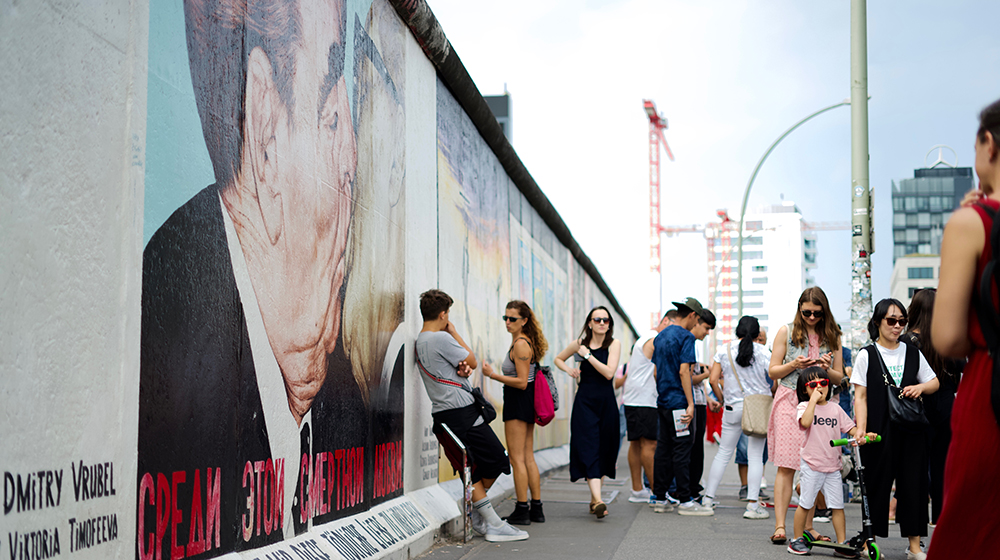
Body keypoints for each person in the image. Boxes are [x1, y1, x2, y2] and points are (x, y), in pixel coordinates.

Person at [137, 0, 377, 550]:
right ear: (266, 131)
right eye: (332, 117)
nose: (352, 159)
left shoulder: (340, 397)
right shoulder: (160, 365)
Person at [928, 97, 1000, 560]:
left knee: (975, 532)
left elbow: (949, 338)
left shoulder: (973, 224)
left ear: (987, 144)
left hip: (991, 394)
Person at [415, 290, 528, 542]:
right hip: (460, 414)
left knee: (479, 467)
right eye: (448, 315)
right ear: (443, 314)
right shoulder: (440, 339)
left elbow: (459, 367)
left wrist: (460, 369)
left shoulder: (421, 340)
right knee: (495, 460)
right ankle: (492, 523)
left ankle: (482, 515)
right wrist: (453, 332)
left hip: (450, 414)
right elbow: (473, 361)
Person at [852, 298, 939, 560]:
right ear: (878, 322)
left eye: (902, 321)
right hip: (878, 431)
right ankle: (870, 541)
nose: (897, 326)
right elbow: (861, 396)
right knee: (877, 485)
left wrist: (920, 387)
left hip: (912, 431)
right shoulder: (867, 354)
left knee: (914, 486)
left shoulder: (913, 351)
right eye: (891, 321)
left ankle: (914, 546)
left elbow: (933, 382)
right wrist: (861, 430)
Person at [767, 287, 844, 545]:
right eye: (807, 312)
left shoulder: (833, 335)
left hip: (821, 404)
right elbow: (773, 372)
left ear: (825, 312)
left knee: (815, 465)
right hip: (790, 398)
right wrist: (794, 365)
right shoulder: (786, 332)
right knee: (787, 466)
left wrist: (825, 368)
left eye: (817, 313)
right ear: (800, 308)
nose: (811, 317)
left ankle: (808, 526)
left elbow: (840, 377)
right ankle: (780, 526)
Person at [785, 368, 875, 557]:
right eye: (813, 385)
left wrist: (865, 435)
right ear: (804, 390)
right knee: (806, 503)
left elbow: (851, 429)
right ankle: (796, 539)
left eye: (823, 383)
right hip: (811, 464)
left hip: (833, 466)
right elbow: (806, 423)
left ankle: (841, 543)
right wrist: (811, 401)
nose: (819, 387)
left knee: (837, 506)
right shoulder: (803, 407)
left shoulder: (835, 408)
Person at [645, 298, 715, 516]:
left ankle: (659, 497)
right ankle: (685, 500)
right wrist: (690, 404)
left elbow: (656, 372)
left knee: (663, 450)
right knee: (683, 449)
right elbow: (685, 371)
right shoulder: (686, 337)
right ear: (693, 315)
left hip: (663, 402)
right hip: (679, 403)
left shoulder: (661, 336)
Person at [899, 289, 961, 526]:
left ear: (913, 310)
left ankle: (916, 525)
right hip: (946, 407)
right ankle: (940, 519)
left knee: (915, 468)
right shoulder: (946, 338)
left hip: (917, 409)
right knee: (942, 466)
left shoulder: (905, 342)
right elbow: (959, 369)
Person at [483, 300, 548, 525]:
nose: (508, 323)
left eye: (513, 319)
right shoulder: (522, 342)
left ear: (525, 321)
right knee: (527, 456)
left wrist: (492, 375)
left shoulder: (521, 344)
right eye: (506, 318)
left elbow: (521, 382)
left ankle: (522, 509)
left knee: (517, 458)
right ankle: (536, 508)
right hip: (524, 403)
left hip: (518, 402)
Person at [555, 306, 622, 519]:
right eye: (598, 319)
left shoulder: (614, 344)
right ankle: (600, 500)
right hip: (584, 403)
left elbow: (609, 373)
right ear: (590, 323)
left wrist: (588, 356)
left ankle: (595, 500)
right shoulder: (579, 344)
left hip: (606, 404)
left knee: (603, 449)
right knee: (588, 447)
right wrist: (570, 370)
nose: (602, 323)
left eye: (606, 320)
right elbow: (558, 359)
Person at [703, 316, 772, 520]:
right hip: (758, 407)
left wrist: (723, 398)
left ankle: (707, 499)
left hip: (733, 406)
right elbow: (774, 378)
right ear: (758, 333)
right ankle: (752, 505)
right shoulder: (763, 351)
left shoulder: (724, 350)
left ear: (737, 332)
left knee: (723, 452)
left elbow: (713, 379)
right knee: (755, 456)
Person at [622, 311, 674, 503]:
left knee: (636, 443)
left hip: (633, 398)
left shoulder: (644, 337)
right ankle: (657, 492)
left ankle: (638, 489)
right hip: (645, 399)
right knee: (649, 444)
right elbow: (658, 372)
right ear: (666, 321)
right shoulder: (655, 339)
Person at [687, 313, 717, 501]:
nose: (707, 333)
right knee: (692, 449)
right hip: (691, 404)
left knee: (697, 448)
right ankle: (689, 490)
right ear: (696, 321)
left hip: (698, 401)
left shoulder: (692, 345)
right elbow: (688, 378)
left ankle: (693, 488)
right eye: (706, 328)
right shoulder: (687, 341)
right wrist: (707, 375)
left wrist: (707, 398)